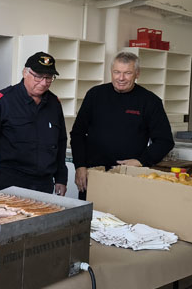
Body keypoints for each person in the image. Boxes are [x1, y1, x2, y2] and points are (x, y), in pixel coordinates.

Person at [71, 51, 174, 197]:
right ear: (111, 72)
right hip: (93, 175)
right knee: (90, 218)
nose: (121, 78)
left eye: (127, 73)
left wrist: (141, 161)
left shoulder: (150, 101)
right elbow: (77, 134)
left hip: (129, 177)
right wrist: (79, 165)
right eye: (117, 72)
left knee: (125, 218)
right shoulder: (95, 95)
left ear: (137, 73)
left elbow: (165, 141)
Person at [0, 52, 68, 195]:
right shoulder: (2, 101)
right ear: (25, 73)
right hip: (8, 182)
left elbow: (61, 142)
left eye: (49, 78)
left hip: (44, 184)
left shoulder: (54, 104)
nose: (43, 83)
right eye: (38, 76)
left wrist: (61, 178)